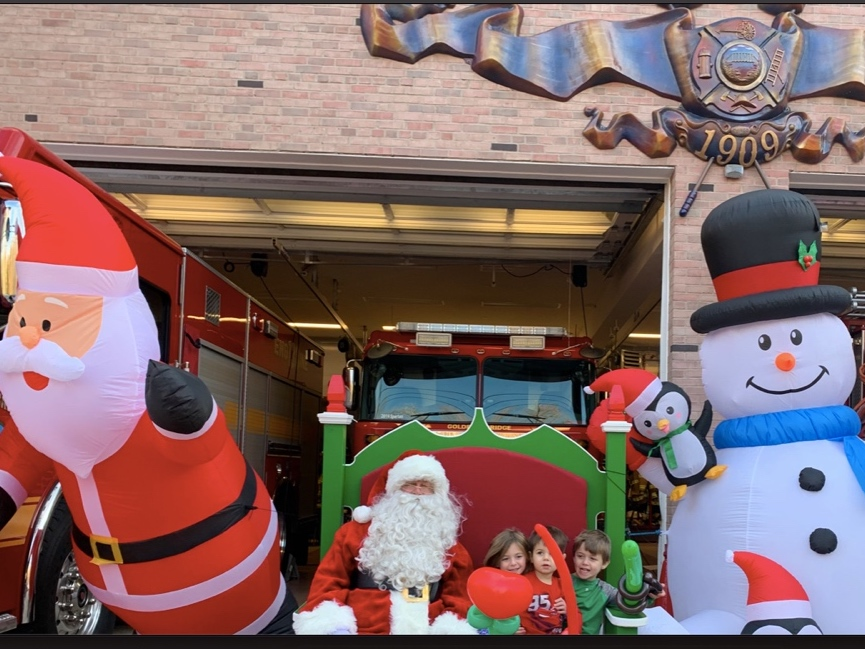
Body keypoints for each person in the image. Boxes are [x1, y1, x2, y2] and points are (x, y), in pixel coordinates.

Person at [292, 451, 476, 635]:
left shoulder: (447, 541)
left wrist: (449, 628)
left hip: (426, 628)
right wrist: (334, 625)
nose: (418, 491)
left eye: (426, 486)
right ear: (394, 490)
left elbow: (459, 596)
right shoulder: (355, 533)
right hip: (366, 626)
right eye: (410, 484)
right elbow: (328, 581)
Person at [571, 529, 666, 635]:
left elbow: (628, 603)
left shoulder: (605, 591)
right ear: (574, 557)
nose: (585, 562)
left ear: (604, 563)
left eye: (592, 559)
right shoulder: (563, 583)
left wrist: (649, 595)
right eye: (580, 556)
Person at [518, 525, 569, 635]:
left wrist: (567, 610)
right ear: (531, 557)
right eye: (540, 553)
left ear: (562, 559)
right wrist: (511, 629)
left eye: (552, 553)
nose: (546, 558)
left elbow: (577, 615)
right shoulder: (523, 582)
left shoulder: (563, 585)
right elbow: (509, 610)